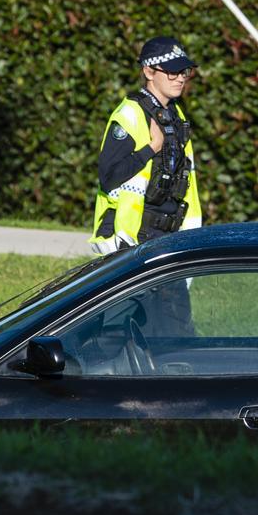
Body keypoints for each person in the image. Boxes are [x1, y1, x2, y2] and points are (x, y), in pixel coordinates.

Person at [89, 36, 203, 336]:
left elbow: (185, 181)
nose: (180, 78)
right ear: (149, 71)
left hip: (167, 237)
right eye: (172, 71)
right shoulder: (129, 114)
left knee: (162, 332)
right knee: (129, 334)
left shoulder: (176, 117)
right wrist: (151, 148)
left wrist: (190, 237)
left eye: (184, 71)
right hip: (133, 241)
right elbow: (109, 176)